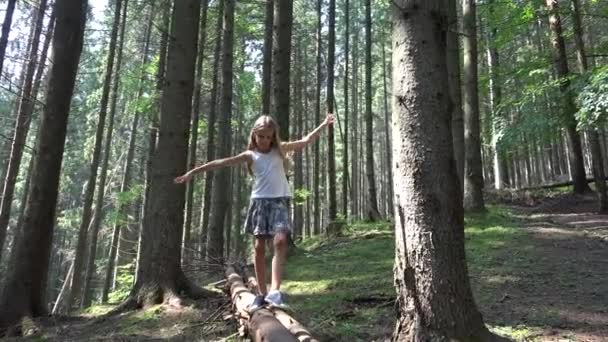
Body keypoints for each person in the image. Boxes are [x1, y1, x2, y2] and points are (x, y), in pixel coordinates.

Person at [175, 113, 335, 312]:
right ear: (254, 136)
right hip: (259, 203)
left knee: (280, 241)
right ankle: (261, 294)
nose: (265, 140)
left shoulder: (280, 150)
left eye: (269, 137)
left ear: (273, 137)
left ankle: (275, 292)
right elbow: (220, 162)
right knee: (259, 247)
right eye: (262, 136)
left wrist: (323, 124)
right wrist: (192, 173)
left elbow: (305, 141)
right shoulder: (250, 155)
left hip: (279, 202)